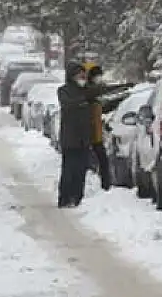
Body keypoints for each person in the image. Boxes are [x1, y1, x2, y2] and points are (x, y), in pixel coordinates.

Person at [57, 62, 133, 207]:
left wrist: (125, 87)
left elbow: (103, 90)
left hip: (84, 139)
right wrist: (83, 102)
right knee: (68, 170)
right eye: (79, 75)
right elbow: (68, 104)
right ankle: (64, 198)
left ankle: (77, 198)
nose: (82, 78)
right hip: (69, 138)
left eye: (83, 75)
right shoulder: (64, 91)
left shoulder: (87, 91)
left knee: (81, 171)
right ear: (71, 76)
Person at [83, 62, 112, 190]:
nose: (98, 79)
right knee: (86, 161)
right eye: (96, 76)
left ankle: (106, 186)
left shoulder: (95, 92)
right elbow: (94, 93)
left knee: (103, 159)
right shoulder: (86, 91)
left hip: (96, 133)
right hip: (86, 133)